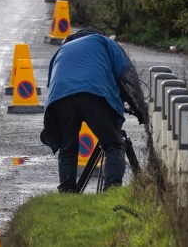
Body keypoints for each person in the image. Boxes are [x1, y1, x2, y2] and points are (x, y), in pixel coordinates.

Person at [39, 27, 149, 192]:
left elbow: (52, 82)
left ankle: (67, 193)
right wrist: (140, 109)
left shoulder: (62, 50)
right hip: (94, 94)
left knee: (68, 147)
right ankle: (111, 191)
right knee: (113, 144)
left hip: (60, 98)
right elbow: (127, 75)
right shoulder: (105, 42)